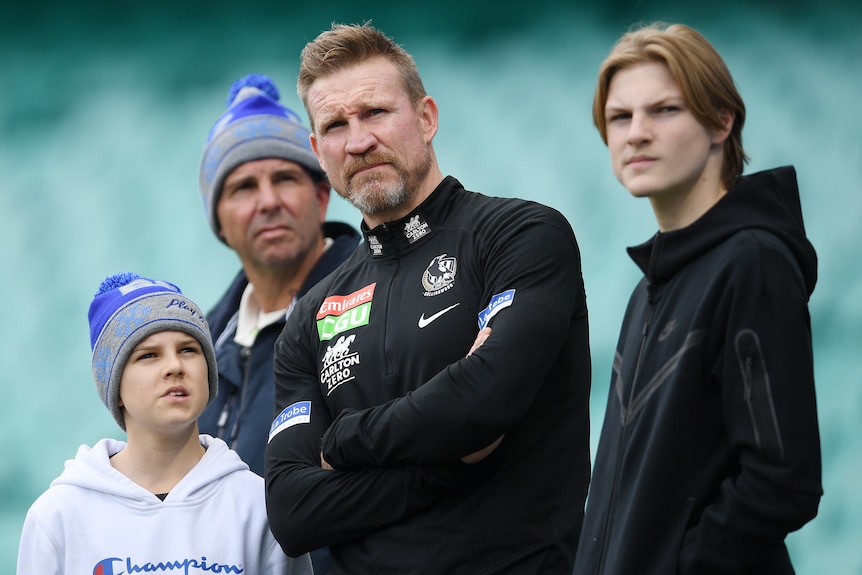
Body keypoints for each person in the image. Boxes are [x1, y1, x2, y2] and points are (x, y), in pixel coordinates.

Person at [264, 23, 592, 574]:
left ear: (426, 118)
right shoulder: (311, 315)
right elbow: (293, 513)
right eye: (336, 126)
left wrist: (343, 440)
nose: (359, 140)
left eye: (375, 113)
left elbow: (485, 400)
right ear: (320, 152)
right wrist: (450, 464)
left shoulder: (519, 234)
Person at [574, 23, 822, 575]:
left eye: (664, 110)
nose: (636, 133)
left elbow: (784, 480)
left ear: (720, 121)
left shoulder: (752, 262)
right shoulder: (648, 288)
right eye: (620, 117)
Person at [17, 272, 311, 575]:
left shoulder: (257, 506)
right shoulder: (59, 516)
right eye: (149, 355)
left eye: (188, 349)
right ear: (114, 387)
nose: (174, 366)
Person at [197, 73, 360, 574]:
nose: (268, 201)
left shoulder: (378, 298)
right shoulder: (197, 348)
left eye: (285, 179)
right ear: (219, 221)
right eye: (244, 187)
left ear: (321, 196)